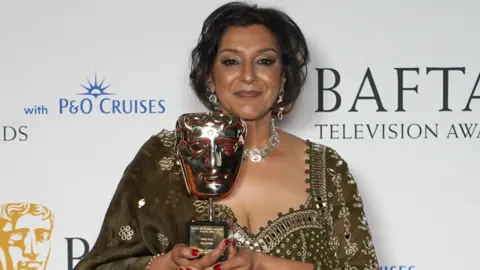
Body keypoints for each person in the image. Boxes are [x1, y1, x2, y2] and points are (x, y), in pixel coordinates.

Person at [73, 1, 379, 270]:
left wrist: (262, 264)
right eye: (231, 61)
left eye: (264, 61)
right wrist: (163, 265)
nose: (248, 76)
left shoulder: (327, 168)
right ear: (210, 77)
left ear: (282, 76)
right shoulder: (166, 157)